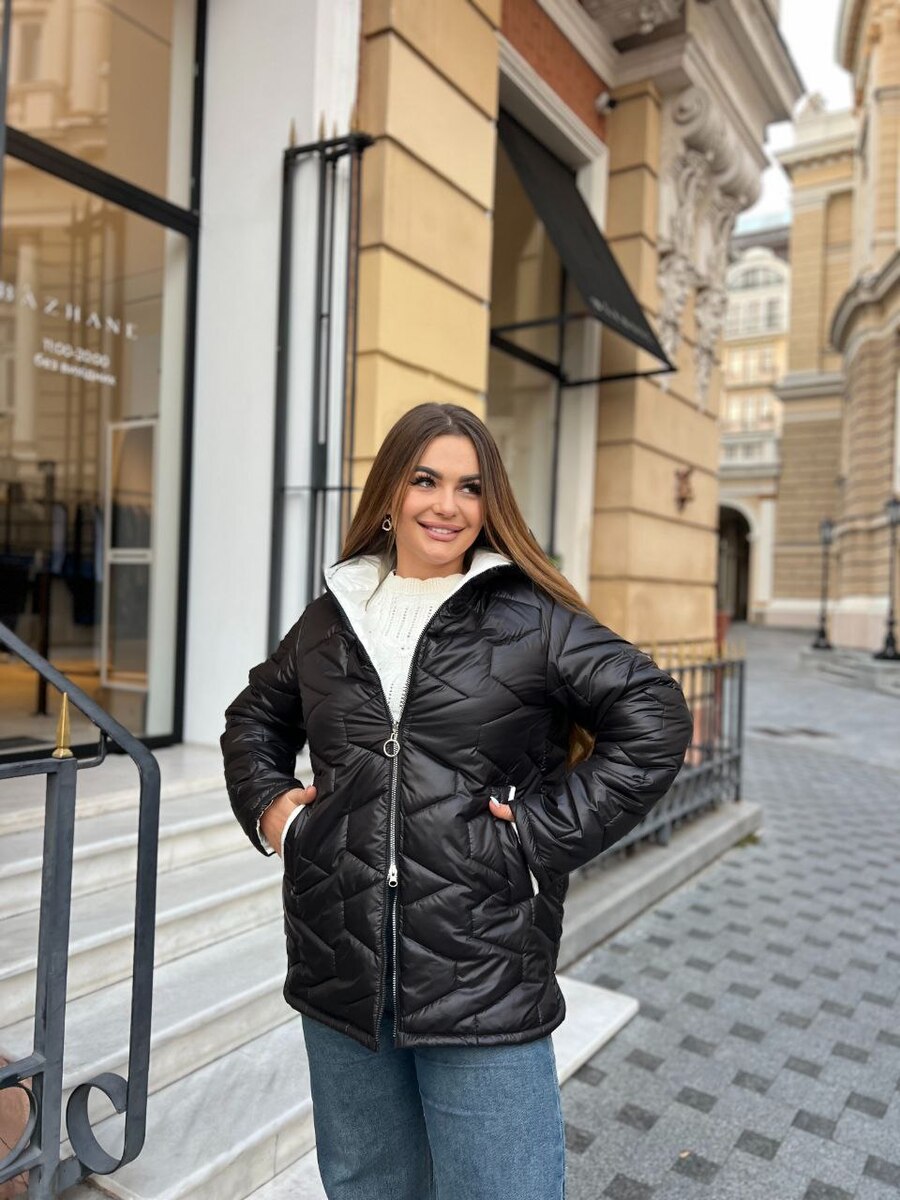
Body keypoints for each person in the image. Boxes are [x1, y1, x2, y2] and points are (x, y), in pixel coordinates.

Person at [221, 402, 694, 1200]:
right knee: (368, 1186)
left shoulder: (530, 617)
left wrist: (538, 834)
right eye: (426, 480)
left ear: (490, 502)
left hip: (483, 966)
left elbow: (654, 717)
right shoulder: (333, 616)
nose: (447, 505)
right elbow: (253, 721)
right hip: (341, 960)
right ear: (390, 493)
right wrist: (276, 813)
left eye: (470, 487)